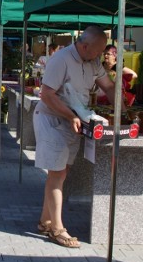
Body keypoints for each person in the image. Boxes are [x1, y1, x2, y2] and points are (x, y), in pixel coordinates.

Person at [33, 26, 118, 248]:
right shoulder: (60, 59)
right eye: (98, 52)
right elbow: (47, 94)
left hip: (73, 121)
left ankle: (45, 221)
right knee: (57, 172)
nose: (100, 56)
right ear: (84, 45)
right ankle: (58, 229)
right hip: (53, 119)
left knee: (61, 172)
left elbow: (108, 86)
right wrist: (69, 115)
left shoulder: (92, 61)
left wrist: (121, 107)